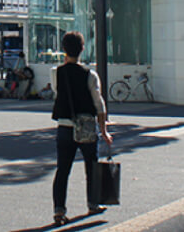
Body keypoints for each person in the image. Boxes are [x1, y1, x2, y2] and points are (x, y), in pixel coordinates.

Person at [50, 31, 112, 226]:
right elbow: (99, 104)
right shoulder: (90, 74)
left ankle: (59, 211)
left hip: (65, 126)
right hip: (87, 126)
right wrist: (103, 130)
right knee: (91, 167)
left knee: (63, 170)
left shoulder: (56, 72)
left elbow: (56, 91)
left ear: (63, 49)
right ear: (83, 49)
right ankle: (93, 203)